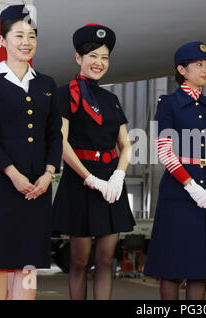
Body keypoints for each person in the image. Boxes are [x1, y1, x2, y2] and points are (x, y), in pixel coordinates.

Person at [0, 5, 62, 300]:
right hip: (1, 186)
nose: (27, 42)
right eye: (19, 35)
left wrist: (49, 174)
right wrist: (12, 173)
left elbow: (53, 135)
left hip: (37, 188)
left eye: (32, 35)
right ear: (3, 39)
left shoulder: (47, 84)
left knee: (28, 264)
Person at [52, 24, 135, 300]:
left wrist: (119, 176)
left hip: (110, 185)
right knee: (78, 261)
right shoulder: (64, 94)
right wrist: (89, 177)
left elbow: (125, 145)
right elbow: (61, 143)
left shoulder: (111, 99)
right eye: (93, 56)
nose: (99, 63)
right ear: (79, 58)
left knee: (105, 259)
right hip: (80, 181)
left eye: (105, 57)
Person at [143, 41, 206, 300]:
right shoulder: (168, 103)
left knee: (199, 268)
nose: (204, 70)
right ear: (181, 69)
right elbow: (165, 151)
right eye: (197, 65)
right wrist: (191, 186)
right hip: (178, 194)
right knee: (171, 267)